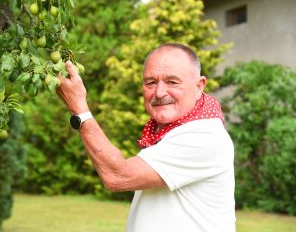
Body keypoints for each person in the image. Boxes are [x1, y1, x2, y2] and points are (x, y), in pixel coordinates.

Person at [56, 43, 236, 232]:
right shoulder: (174, 131)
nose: (159, 92)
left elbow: (117, 176)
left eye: (172, 82)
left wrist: (80, 110)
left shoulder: (203, 136)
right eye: (151, 82)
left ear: (199, 86)